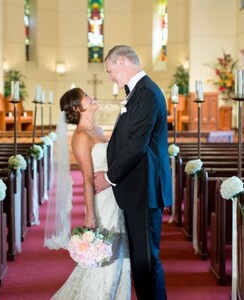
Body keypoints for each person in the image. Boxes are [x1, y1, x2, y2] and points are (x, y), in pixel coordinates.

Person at [94, 45, 172, 300]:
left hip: (145, 190)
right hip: (138, 189)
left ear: (123, 62)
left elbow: (137, 144)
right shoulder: (138, 92)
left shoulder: (147, 93)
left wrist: (108, 178)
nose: (110, 77)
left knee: (147, 262)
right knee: (141, 260)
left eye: (110, 70)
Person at [44, 87, 131, 299]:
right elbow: (86, 178)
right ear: (77, 107)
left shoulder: (98, 130)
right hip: (101, 203)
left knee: (120, 252)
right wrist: (90, 215)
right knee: (106, 255)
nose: (90, 97)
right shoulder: (81, 137)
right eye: (85, 96)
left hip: (114, 196)